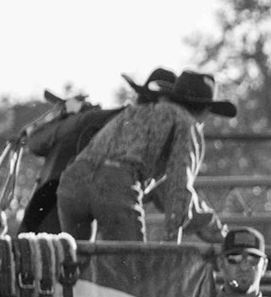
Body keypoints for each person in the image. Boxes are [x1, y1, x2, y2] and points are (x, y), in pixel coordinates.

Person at [54, 68, 234, 243]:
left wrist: (208, 225)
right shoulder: (186, 123)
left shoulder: (136, 112)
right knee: (129, 260)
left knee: (76, 255)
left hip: (72, 181)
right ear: (206, 110)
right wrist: (172, 241)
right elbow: (178, 184)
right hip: (115, 184)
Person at [18, 70, 172, 233]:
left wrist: (69, 114)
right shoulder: (99, 118)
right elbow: (36, 142)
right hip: (51, 206)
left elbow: (35, 141)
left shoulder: (98, 118)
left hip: (59, 202)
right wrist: (67, 114)